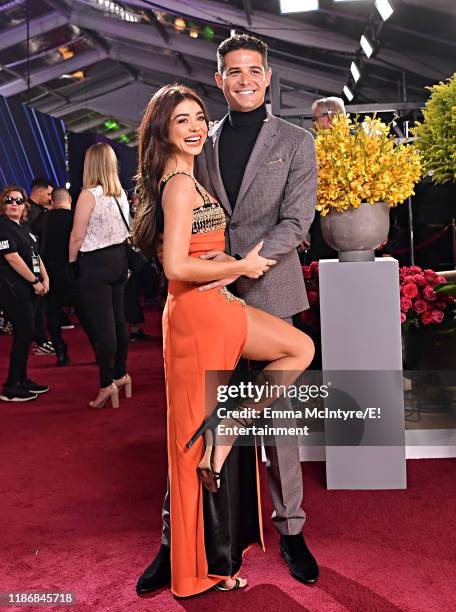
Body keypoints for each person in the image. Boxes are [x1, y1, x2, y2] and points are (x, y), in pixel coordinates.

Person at [136, 35, 319, 595]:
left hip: (265, 285)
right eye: (232, 72)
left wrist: (245, 264)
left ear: (267, 77)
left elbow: (297, 221)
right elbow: (184, 224)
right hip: (209, 295)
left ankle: (291, 532)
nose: (244, 79)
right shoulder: (200, 142)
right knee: (193, 421)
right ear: (220, 79)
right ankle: (175, 545)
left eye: (253, 70)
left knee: (278, 428)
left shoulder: (297, 140)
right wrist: (221, 266)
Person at [69, 143, 132, 409]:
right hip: (119, 260)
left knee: (104, 327)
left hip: (96, 263)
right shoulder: (120, 195)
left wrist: (71, 264)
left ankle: (107, 383)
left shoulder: (88, 195)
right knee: (119, 322)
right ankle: (120, 374)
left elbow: (77, 236)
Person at [0, 185, 49, 402]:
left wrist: (45, 278)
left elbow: (35, 256)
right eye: (9, 200)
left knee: (27, 333)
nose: (14, 204)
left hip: (29, 288)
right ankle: (11, 386)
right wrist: (34, 280)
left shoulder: (24, 228)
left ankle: (21, 379)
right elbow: (12, 257)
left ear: (25, 206)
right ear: (3, 204)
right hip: (13, 288)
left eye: (19, 201)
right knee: (25, 332)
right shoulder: (2, 227)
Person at [44, 187, 96, 365]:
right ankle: (98, 350)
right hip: (74, 271)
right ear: (70, 201)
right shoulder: (75, 218)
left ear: (52, 201)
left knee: (52, 313)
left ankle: (60, 352)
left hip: (49, 274)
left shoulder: (41, 220)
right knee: (86, 314)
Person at [28, 177, 55, 356]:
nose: (50, 197)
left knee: (40, 304)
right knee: (37, 305)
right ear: (39, 192)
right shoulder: (31, 213)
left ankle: (41, 339)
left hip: (38, 261)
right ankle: (39, 341)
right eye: (48, 193)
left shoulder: (38, 211)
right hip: (31, 262)